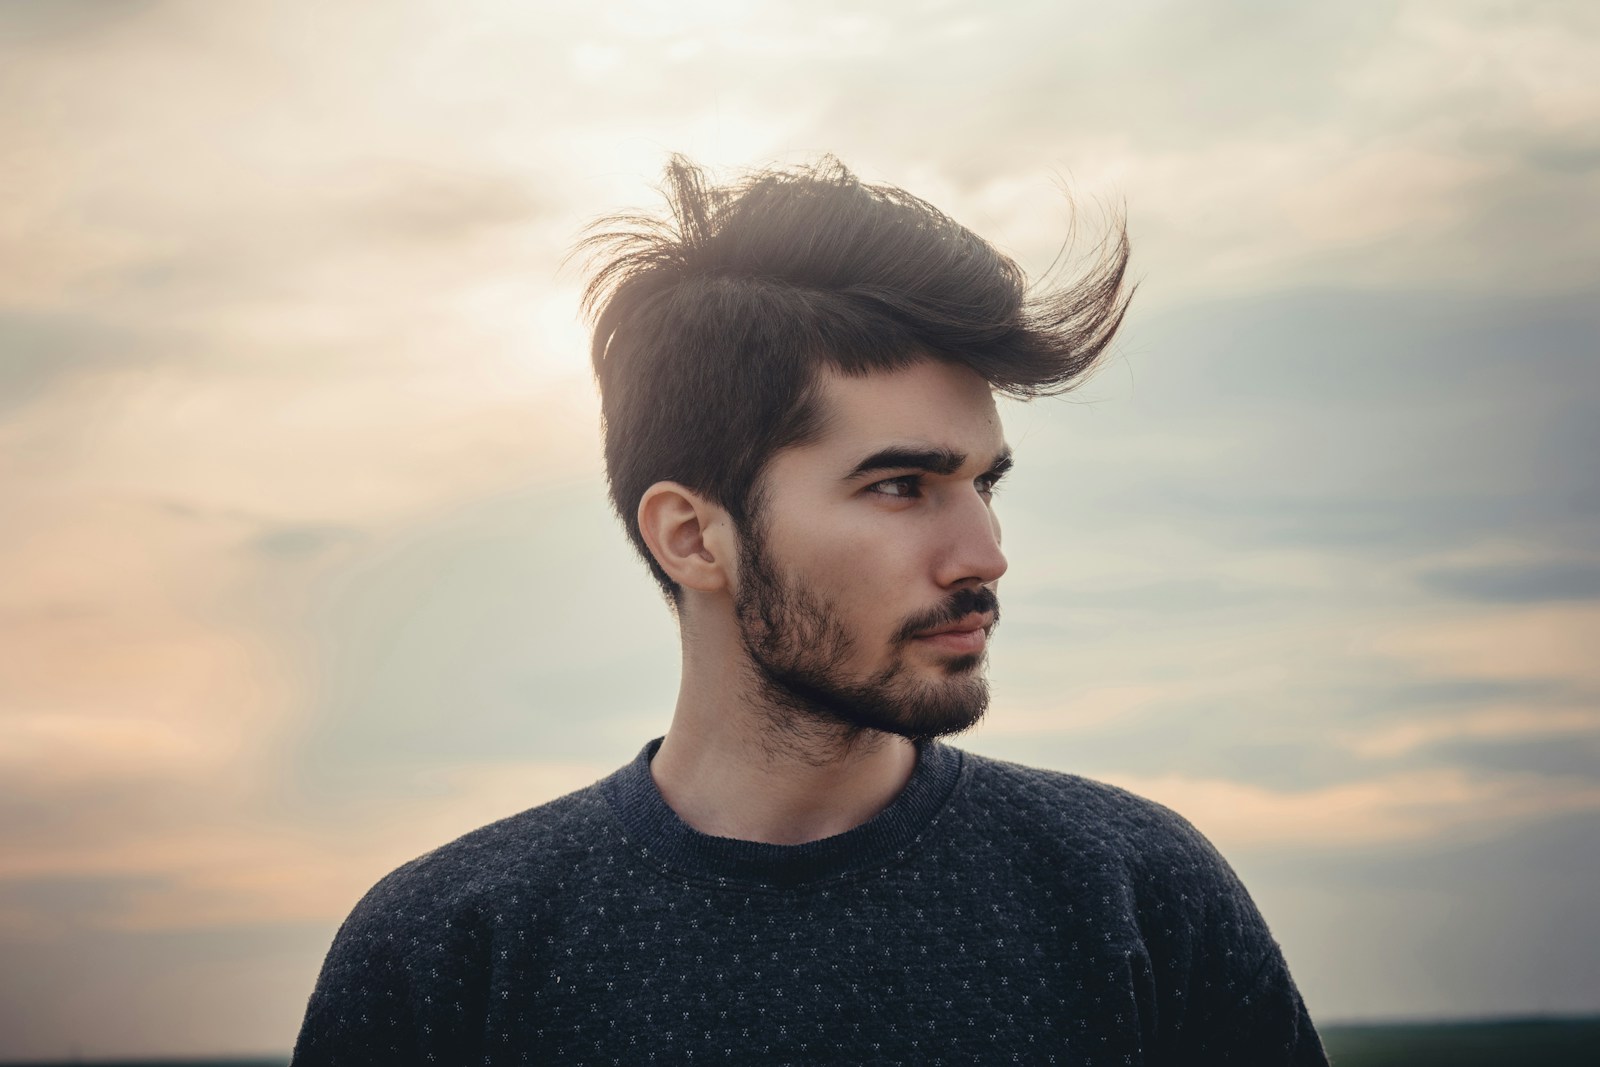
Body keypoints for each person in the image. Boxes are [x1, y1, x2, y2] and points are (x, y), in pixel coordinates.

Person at [292, 157, 1327, 1065]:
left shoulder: (1133, 891)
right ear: (692, 537)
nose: (985, 556)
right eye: (899, 485)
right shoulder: (450, 946)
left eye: (983, 484)